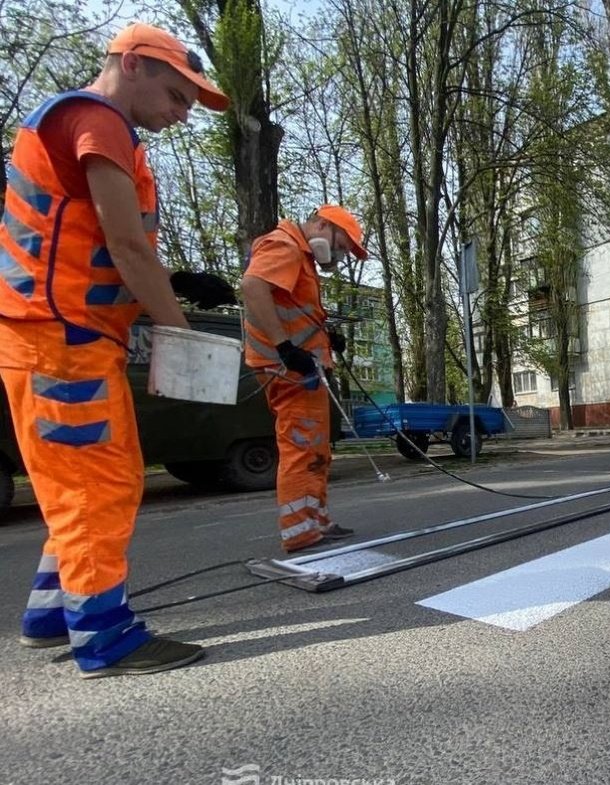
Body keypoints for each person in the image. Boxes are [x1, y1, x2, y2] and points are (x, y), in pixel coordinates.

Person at [1, 23, 229, 677]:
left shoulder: (86, 126)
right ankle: (103, 636)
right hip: (59, 340)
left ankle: (51, 615)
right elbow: (126, 247)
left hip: (56, 336)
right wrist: (176, 329)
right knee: (94, 487)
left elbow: (103, 241)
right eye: (178, 96)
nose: (182, 115)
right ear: (132, 64)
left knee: (93, 480)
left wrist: (167, 281)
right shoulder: (97, 121)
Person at [241, 205, 366, 553]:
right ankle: (299, 532)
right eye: (342, 246)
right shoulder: (286, 245)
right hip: (289, 370)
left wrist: (326, 336)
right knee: (300, 449)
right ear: (322, 225)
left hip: (303, 368)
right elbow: (253, 286)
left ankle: (316, 522)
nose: (340, 256)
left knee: (315, 450)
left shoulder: (300, 257)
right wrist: (284, 347)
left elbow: (293, 309)